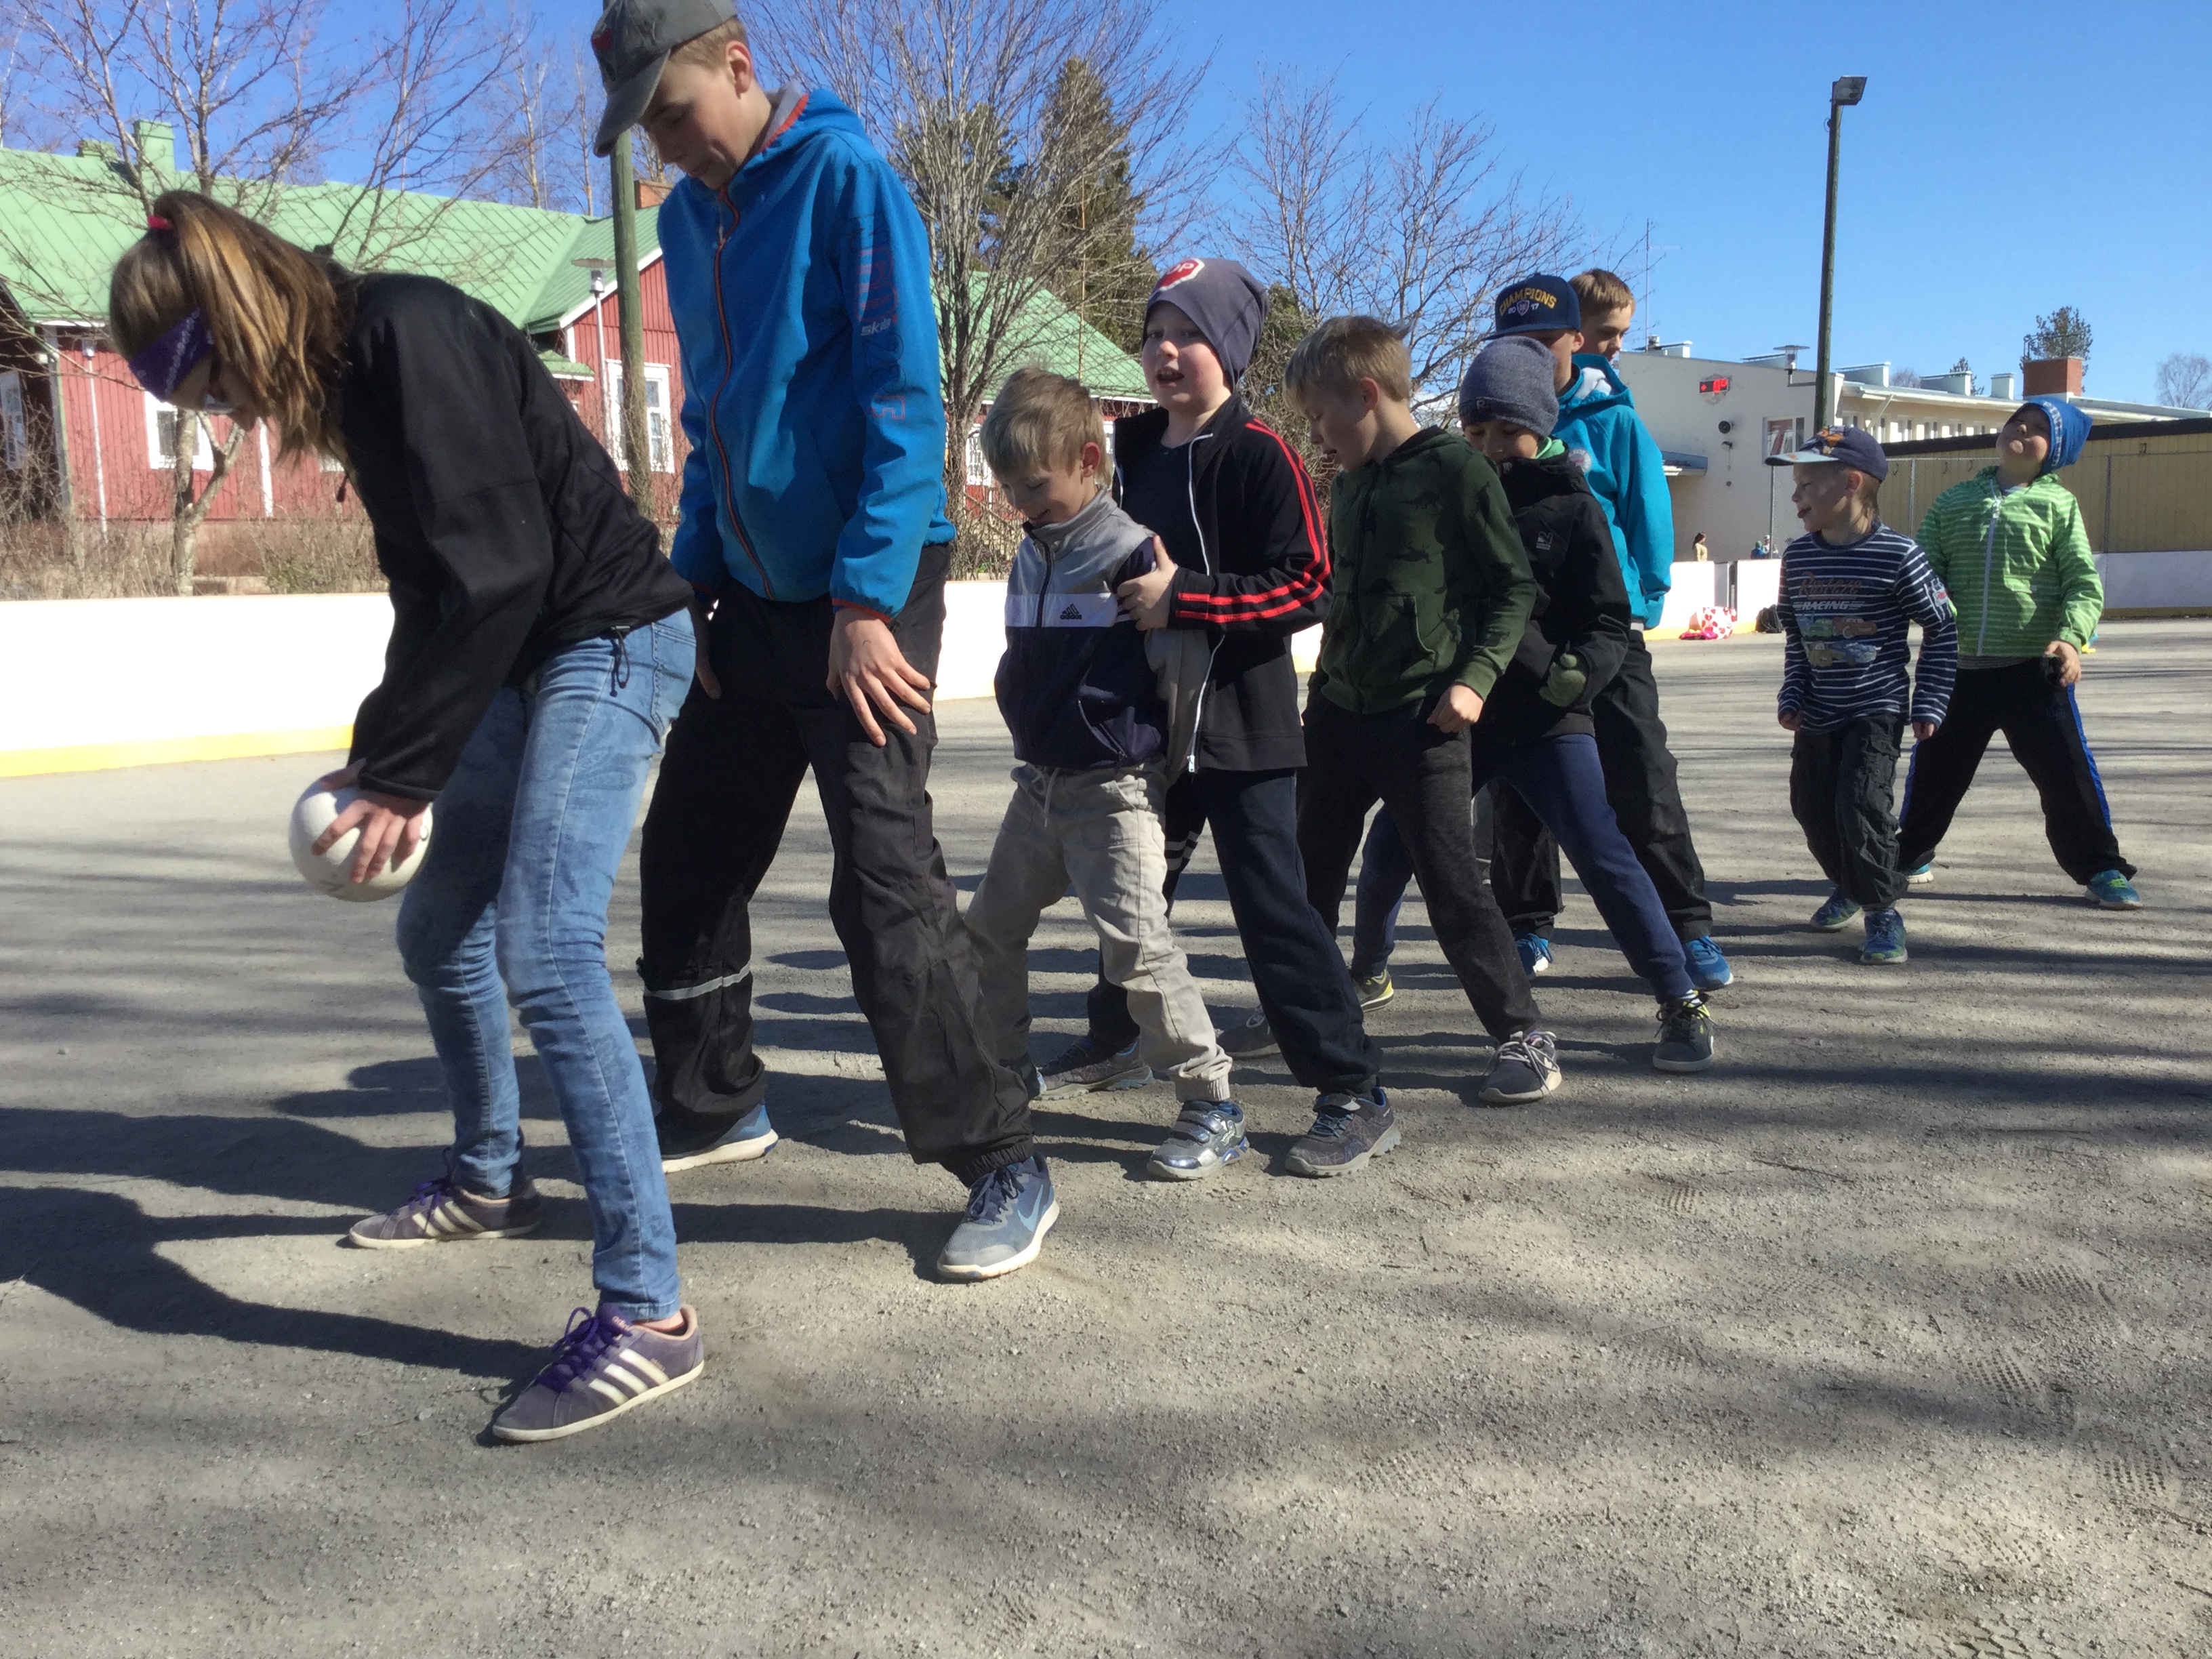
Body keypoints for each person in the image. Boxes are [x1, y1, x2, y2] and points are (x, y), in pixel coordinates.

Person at [111, 190, 703, 1441]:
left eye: (213, 382)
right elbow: (430, 600)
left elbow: (500, 572)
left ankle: (650, 1314)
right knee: (438, 932)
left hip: (608, 638)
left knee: (547, 951)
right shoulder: (353, 382)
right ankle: (491, 1181)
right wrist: (378, 754)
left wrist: (406, 773)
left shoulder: (405, 331)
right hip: (518, 658)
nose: (227, 411)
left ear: (238, 321)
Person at [596, 0, 1047, 1282]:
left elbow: (905, 400)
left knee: (883, 881)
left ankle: (1001, 1156)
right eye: (645, 131)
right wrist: (691, 585)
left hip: (871, 585)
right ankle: (713, 1102)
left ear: (737, 68)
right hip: (745, 594)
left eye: (673, 113)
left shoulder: (846, 179)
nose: (664, 148)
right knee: (690, 853)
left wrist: (861, 604)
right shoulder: (688, 220)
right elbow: (711, 425)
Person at [1047, 257, 1392, 1178]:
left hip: (1244, 726)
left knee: (1274, 912)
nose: (1165, 351)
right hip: (1150, 724)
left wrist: (1187, 599)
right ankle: (1118, 1037)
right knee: (1131, 891)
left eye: (1188, 334)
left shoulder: (1261, 451)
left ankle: (1353, 1089)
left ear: (1230, 351)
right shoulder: (1133, 450)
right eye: (1155, 333)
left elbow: (1309, 584)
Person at [1343, 337, 1716, 1071]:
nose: (1489, 446)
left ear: (1540, 425)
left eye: (1506, 431)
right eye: (1475, 430)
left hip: (1546, 718)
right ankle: (1368, 969)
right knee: (1389, 845)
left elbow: (1608, 620)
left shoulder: (1575, 507)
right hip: (1459, 713)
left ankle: (1680, 997)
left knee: (1602, 852)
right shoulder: (1450, 491)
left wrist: (1574, 677)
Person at [958, 369, 1240, 1184]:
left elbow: (1177, 676)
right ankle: (1006, 1072)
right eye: (1008, 487)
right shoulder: (1030, 550)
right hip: (1039, 785)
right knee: (989, 931)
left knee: (1137, 948)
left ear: (1087, 461)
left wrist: (1156, 771)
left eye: (1034, 485)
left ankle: (1212, 1102)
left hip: (1113, 788)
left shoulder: (1131, 553)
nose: (1020, 503)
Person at [1288, 316, 1573, 1113]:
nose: (1316, 434)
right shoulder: (1349, 484)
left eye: (1320, 416)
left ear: (1366, 395)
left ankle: (1524, 1035)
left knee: (1452, 886)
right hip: (1339, 711)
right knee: (1308, 875)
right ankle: (1308, 1013)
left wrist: (1476, 681)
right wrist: (1318, 687)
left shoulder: (1456, 469)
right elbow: (1342, 595)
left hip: (1425, 720)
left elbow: (1513, 587)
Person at [1481, 274, 1734, 992]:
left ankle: (1688, 926)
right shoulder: (1488, 430)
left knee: (1642, 777)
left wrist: (1639, 605)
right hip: (1524, 635)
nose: (1533, 354)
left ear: (1575, 340)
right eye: (1516, 343)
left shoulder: (1614, 421)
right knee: (1520, 789)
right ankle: (1528, 921)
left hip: (1606, 629)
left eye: (1545, 340)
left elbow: (1650, 517)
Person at [1896, 398, 2139, 908]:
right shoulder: (1954, 501)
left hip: (2033, 671)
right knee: (1937, 771)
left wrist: (2071, 638)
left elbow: (2082, 582)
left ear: (2056, 452)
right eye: (2017, 422)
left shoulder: (2058, 506)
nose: (2022, 431)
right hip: (1958, 671)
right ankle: (1909, 855)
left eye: (2038, 429)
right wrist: (1925, 610)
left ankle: (2101, 867)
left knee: (2066, 776)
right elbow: (1924, 570)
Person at [1768, 428, 1957, 964]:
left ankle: (1881, 911)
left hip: (1876, 708)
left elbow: (1942, 625)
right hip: (1819, 711)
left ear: (1851, 483)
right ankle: (1852, 883)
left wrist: (1930, 699)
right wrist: (1793, 691)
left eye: (1807, 484)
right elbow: (1798, 636)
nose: (1796, 496)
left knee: (1862, 809)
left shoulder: (1900, 555)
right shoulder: (1798, 557)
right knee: (1811, 808)